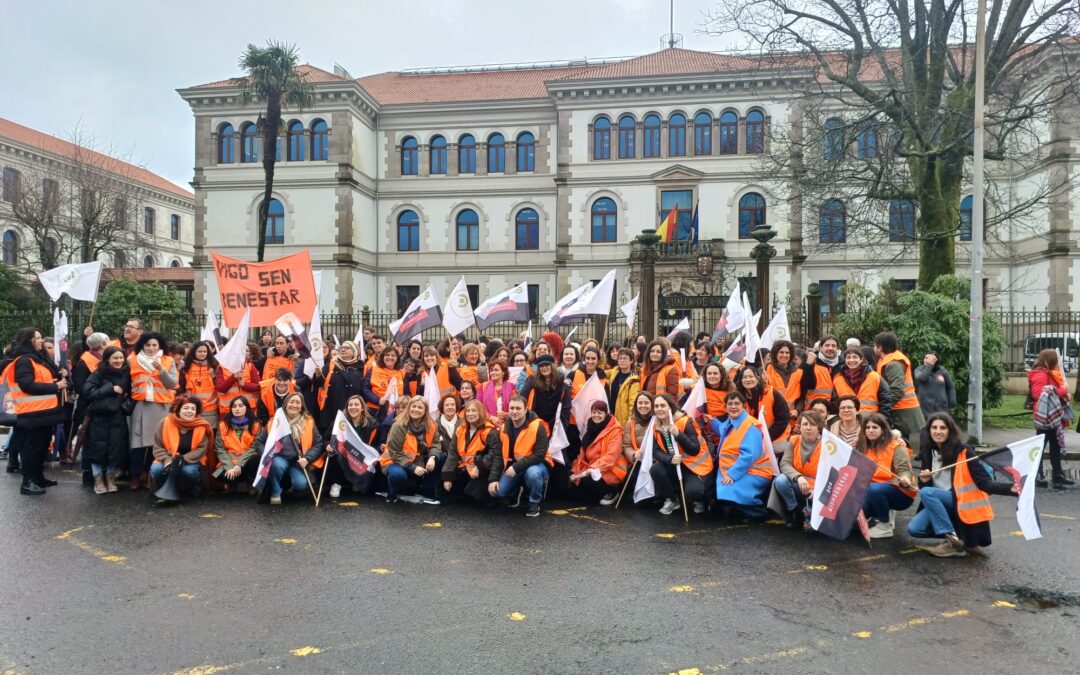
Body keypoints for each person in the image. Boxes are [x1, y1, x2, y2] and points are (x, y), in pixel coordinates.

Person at [908, 413, 1019, 557]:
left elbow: (983, 481)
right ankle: (959, 537)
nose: (938, 431)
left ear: (950, 431)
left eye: (943, 428)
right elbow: (925, 487)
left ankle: (952, 540)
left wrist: (1010, 488)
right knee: (914, 529)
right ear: (929, 431)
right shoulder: (928, 452)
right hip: (939, 501)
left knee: (928, 493)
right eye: (934, 427)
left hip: (959, 500)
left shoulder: (964, 451)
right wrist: (924, 481)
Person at [2, 327, 66, 495]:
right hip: (30, 413)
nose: (42, 341)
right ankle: (27, 482)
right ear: (30, 340)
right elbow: (27, 385)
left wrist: (60, 375)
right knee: (31, 448)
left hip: (44, 412)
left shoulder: (38, 358)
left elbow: (45, 378)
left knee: (41, 447)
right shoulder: (24, 360)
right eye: (38, 338)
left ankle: (38, 477)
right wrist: (55, 386)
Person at [710, 391, 773, 522]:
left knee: (727, 490)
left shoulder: (751, 425)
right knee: (721, 491)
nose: (733, 406)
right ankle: (740, 509)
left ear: (743, 406)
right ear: (725, 407)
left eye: (737, 404)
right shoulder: (730, 422)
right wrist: (711, 422)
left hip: (755, 472)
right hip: (738, 471)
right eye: (730, 404)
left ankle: (758, 512)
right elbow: (722, 430)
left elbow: (749, 456)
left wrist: (732, 475)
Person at [128, 332, 179, 491]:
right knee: (137, 444)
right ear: (142, 346)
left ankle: (150, 475)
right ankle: (135, 476)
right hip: (141, 404)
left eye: (154, 345)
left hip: (161, 406)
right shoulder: (132, 359)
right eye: (147, 345)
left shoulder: (168, 360)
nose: (151, 348)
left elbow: (172, 384)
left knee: (157, 444)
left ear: (159, 346)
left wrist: (161, 370)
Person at [650, 393, 713, 515]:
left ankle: (699, 500)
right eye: (656, 406)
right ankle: (673, 500)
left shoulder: (684, 421)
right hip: (675, 463)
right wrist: (670, 459)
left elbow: (694, 449)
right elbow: (656, 451)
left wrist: (678, 434)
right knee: (655, 469)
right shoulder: (656, 425)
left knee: (694, 491)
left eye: (662, 405)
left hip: (694, 465)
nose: (659, 409)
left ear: (670, 407)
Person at [257, 392, 324, 505]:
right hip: (279, 459)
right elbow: (260, 442)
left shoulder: (309, 422)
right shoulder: (275, 422)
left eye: (298, 402)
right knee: (276, 464)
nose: (294, 405)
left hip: (298, 462)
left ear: (302, 406)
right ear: (285, 404)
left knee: (300, 485)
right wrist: (267, 455)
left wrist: (307, 458)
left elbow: (318, 444)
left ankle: (286, 486)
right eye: (291, 402)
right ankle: (276, 491)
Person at [856, 413, 916, 538]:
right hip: (875, 490)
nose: (870, 430)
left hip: (901, 492)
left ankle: (885, 525)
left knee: (875, 489)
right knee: (859, 509)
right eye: (868, 427)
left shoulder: (896, 446)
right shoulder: (862, 447)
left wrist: (905, 478)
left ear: (883, 430)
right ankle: (886, 510)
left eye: (875, 427)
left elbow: (904, 469)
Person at [492, 396, 551, 517]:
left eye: (518, 408)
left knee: (533, 474)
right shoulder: (504, 427)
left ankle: (534, 500)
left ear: (525, 410)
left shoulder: (538, 426)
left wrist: (516, 467)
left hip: (537, 465)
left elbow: (540, 455)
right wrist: (493, 479)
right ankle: (516, 489)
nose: (514, 411)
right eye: (511, 408)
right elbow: (498, 455)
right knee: (498, 492)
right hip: (516, 466)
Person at [82, 346, 130, 494]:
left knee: (115, 448)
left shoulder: (126, 374)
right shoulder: (98, 373)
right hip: (99, 417)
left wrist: (125, 407)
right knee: (97, 448)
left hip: (117, 416)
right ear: (107, 359)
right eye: (115, 358)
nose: (119, 361)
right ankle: (98, 479)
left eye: (121, 357)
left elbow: (132, 393)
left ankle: (109, 478)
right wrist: (110, 388)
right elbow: (87, 392)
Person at [151, 395, 213, 503]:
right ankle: (166, 488)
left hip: (191, 461)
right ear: (178, 409)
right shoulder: (165, 422)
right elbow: (158, 446)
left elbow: (201, 449)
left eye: (193, 409)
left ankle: (194, 486)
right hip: (168, 459)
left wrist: (181, 460)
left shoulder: (202, 426)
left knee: (189, 472)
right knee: (156, 470)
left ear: (197, 411)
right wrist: (167, 460)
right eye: (186, 408)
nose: (189, 411)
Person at [381, 397, 443, 504]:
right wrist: (413, 468)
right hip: (393, 461)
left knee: (440, 458)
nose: (416, 409)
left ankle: (427, 493)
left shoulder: (431, 425)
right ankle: (392, 494)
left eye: (420, 407)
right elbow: (395, 452)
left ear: (425, 411)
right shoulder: (398, 425)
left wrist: (432, 457)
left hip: (417, 461)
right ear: (409, 408)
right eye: (413, 406)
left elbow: (435, 443)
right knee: (397, 475)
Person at [1027, 348, 1073, 488]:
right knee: (1041, 446)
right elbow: (1039, 394)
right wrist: (1063, 390)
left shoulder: (1048, 373)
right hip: (1045, 416)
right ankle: (1038, 474)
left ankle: (1057, 474)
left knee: (1055, 445)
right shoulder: (1040, 375)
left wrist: (1064, 394)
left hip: (1052, 415)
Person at [772, 411, 825, 528]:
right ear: (799, 427)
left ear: (819, 427)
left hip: (817, 487)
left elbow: (831, 474)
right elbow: (785, 464)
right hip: (798, 483)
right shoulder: (794, 440)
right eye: (805, 424)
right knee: (780, 480)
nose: (809, 428)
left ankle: (811, 512)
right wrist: (799, 477)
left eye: (813, 424)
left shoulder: (827, 445)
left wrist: (817, 489)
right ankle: (794, 510)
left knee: (815, 528)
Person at [873, 331, 925, 451]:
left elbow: (897, 390)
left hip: (902, 411)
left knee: (900, 445)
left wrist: (884, 408)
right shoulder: (888, 360)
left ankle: (903, 468)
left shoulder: (894, 363)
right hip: (901, 409)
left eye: (875, 345)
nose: (874, 348)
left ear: (880, 347)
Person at [442, 399, 500, 505]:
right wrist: (447, 477)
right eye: (468, 411)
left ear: (480, 413)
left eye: (474, 411)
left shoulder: (490, 432)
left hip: (481, 470)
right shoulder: (460, 430)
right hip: (464, 468)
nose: (470, 414)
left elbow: (494, 455)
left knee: (475, 496)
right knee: (442, 491)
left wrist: (479, 467)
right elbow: (453, 454)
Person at [570, 400, 627, 505]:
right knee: (574, 490)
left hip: (611, 469)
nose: (596, 415)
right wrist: (575, 470)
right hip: (591, 467)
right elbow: (582, 455)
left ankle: (612, 492)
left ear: (606, 414)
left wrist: (590, 470)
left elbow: (611, 456)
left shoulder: (615, 431)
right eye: (594, 412)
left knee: (588, 481)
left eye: (600, 413)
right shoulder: (591, 427)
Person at [324, 394, 382, 498]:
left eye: (356, 405)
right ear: (347, 408)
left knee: (359, 489)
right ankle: (336, 483)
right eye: (350, 405)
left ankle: (357, 481)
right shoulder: (340, 422)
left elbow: (375, 445)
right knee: (333, 451)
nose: (353, 407)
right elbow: (327, 438)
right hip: (344, 454)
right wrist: (328, 445)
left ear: (362, 408)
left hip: (360, 457)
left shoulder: (372, 424)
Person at [72, 331, 109, 484]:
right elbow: (80, 387)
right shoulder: (84, 362)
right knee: (88, 440)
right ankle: (88, 473)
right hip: (88, 407)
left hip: (98, 405)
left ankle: (99, 472)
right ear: (102, 345)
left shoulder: (99, 359)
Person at [213, 396, 261, 493]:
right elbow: (219, 449)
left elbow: (254, 447)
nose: (237, 409)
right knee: (223, 474)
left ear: (247, 408)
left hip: (247, 461)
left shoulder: (256, 425)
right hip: (229, 461)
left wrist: (239, 465)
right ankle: (232, 483)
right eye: (234, 406)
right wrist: (230, 466)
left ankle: (251, 484)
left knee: (256, 460)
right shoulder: (223, 426)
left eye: (240, 406)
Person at [734, 365, 790, 442]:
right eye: (744, 377)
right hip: (752, 440)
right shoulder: (739, 397)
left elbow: (783, 420)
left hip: (775, 440)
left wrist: (764, 437)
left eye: (751, 376)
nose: (748, 379)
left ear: (758, 378)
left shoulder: (772, 393)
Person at [318, 341, 365, 432]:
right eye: (341, 348)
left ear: (354, 351)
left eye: (347, 348)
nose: (343, 349)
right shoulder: (331, 365)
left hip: (353, 409)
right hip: (331, 408)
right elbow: (320, 383)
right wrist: (318, 375)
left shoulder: (362, 367)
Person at [832, 347, 889, 416]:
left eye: (855, 357)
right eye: (848, 357)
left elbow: (886, 400)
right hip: (848, 422)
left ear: (861, 359)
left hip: (871, 422)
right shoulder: (838, 379)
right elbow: (834, 403)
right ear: (845, 360)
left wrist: (882, 419)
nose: (851, 360)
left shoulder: (874, 376)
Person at [180, 341, 220, 429]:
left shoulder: (213, 365)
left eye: (205, 351)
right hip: (193, 405)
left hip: (211, 405)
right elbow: (183, 385)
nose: (202, 354)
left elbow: (219, 385)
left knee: (210, 431)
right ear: (194, 352)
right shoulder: (187, 366)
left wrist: (213, 375)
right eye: (200, 351)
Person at [361, 347, 404, 423]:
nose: (390, 357)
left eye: (393, 355)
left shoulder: (401, 372)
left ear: (397, 358)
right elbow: (365, 389)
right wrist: (378, 400)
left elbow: (405, 392)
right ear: (383, 357)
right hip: (375, 411)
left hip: (396, 411)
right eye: (387, 355)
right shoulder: (373, 370)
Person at [764, 340, 802, 424]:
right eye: (781, 352)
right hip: (772, 416)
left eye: (787, 353)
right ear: (775, 353)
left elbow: (802, 396)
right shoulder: (766, 370)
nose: (784, 355)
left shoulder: (799, 372)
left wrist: (797, 410)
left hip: (792, 418)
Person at [914, 351, 956, 416]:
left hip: (941, 409)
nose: (927, 360)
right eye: (926, 358)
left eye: (931, 358)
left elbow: (951, 388)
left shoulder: (942, 371)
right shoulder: (919, 370)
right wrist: (930, 365)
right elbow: (922, 378)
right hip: (925, 410)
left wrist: (952, 403)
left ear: (936, 360)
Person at [622, 392, 653, 478]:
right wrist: (633, 454)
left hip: (655, 460)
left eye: (646, 403)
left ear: (652, 404)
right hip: (638, 460)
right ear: (636, 405)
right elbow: (626, 445)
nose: (643, 406)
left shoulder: (657, 420)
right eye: (640, 403)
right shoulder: (630, 422)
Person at [605, 348, 640, 425]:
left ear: (631, 361)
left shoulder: (633, 380)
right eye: (620, 358)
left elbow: (633, 403)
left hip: (624, 419)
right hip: (612, 415)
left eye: (625, 358)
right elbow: (600, 372)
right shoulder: (615, 372)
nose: (622, 360)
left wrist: (630, 421)